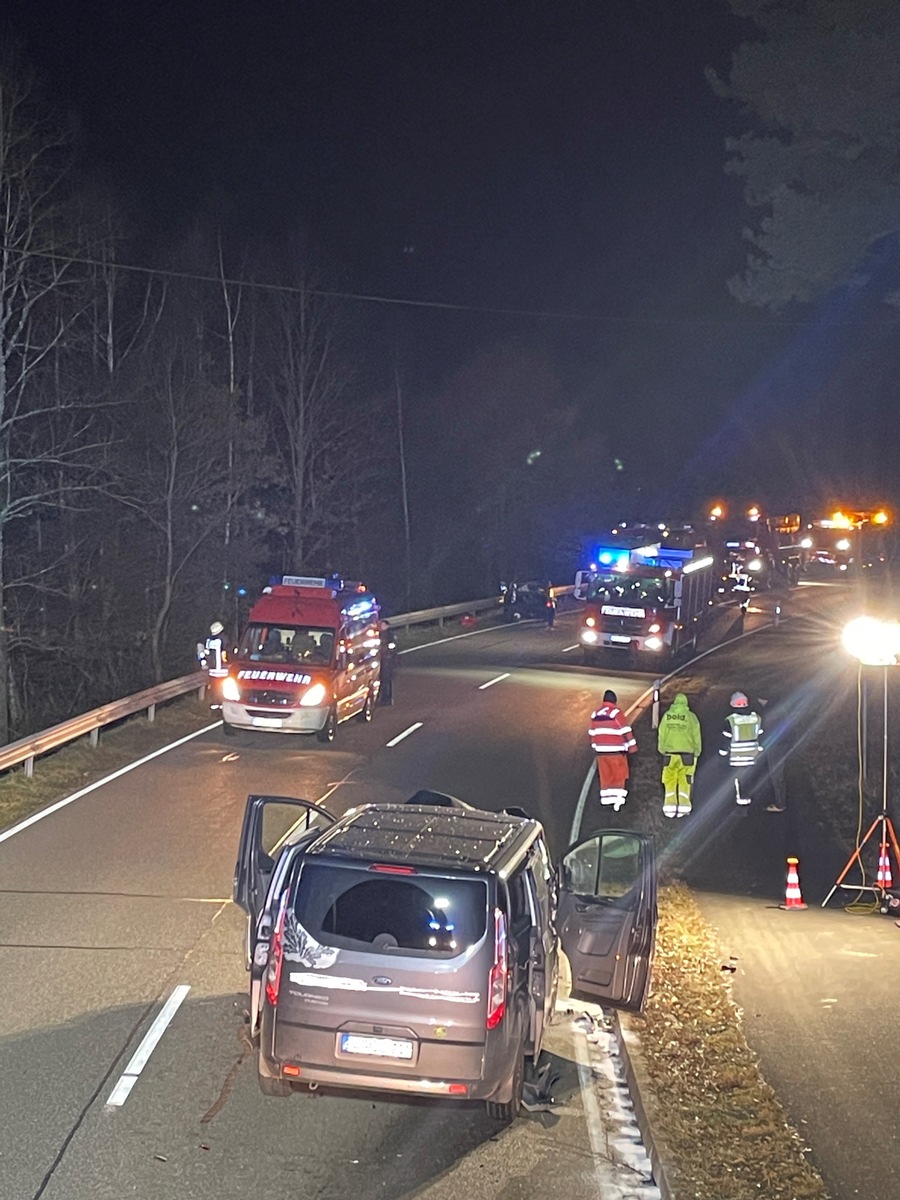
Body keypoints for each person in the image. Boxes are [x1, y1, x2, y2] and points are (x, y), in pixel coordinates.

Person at [588, 689, 637, 811]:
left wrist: (595, 746)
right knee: (619, 775)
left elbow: (592, 733)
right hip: (616, 751)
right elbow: (625, 730)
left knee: (606, 777)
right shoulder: (616, 713)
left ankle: (606, 802)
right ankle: (618, 802)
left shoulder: (595, 714)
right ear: (614, 700)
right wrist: (632, 747)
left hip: (601, 752)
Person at [657, 692, 702, 818]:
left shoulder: (668, 716)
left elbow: (662, 733)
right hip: (687, 754)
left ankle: (669, 809)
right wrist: (697, 751)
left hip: (669, 754)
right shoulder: (691, 717)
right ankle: (684, 807)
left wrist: (661, 749)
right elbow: (696, 736)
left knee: (669, 780)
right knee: (685, 780)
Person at [719, 691, 763, 806]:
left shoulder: (731, 720)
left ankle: (742, 802)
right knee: (750, 776)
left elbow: (727, 738)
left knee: (739, 779)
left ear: (732, 704)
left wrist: (723, 752)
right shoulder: (756, 718)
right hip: (753, 755)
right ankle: (752, 798)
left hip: (737, 757)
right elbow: (761, 734)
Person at [379, 620, 396, 705]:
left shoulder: (390, 635)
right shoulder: (377, 635)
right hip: (379, 659)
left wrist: (388, 652)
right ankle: (381, 697)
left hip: (387, 660)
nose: (381, 626)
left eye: (383, 625)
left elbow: (393, 647)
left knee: (386, 679)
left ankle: (388, 698)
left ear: (387, 626)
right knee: (380, 679)